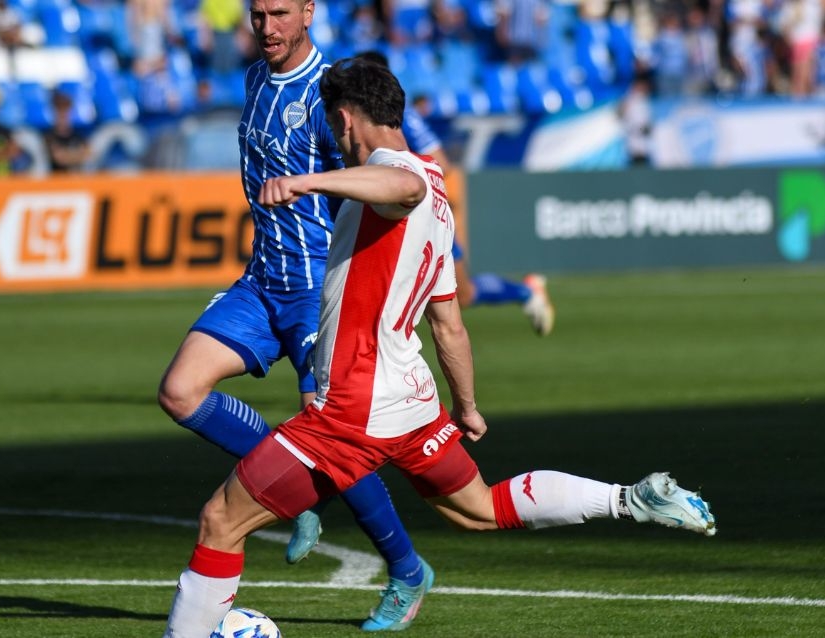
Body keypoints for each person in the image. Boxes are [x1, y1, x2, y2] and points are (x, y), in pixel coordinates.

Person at [161, 57, 717, 638]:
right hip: (412, 398)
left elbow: (399, 188)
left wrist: (306, 182)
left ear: (344, 120)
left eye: (332, 126)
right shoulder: (439, 192)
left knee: (221, 521)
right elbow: (448, 324)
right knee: (481, 509)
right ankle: (630, 499)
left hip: (353, 406)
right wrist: (466, 407)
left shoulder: (398, 177)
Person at [156, 0, 433, 631]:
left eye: (280, 13)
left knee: (332, 436)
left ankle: (407, 568)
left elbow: (385, 180)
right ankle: (295, 492)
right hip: (262, 281)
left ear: (309, 11)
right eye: (257, 15)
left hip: (318, 290)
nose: (267, 27)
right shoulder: (255, 77)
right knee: (180, 390)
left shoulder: (331, 95)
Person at [356, 50, 555, 336]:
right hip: (387, 216)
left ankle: (526, 291)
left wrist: (403, 179)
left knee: (463, 295)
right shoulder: (352, 118)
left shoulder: (401, 116)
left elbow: (442, 162)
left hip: (421, 214)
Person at [44, 90, 91, 173]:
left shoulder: (78, 136)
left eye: (66, 111)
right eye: (59, 111)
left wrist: (69, 155)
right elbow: (60, 158)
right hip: (55, 178)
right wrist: (77, 155)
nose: (63, 115)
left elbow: (88, 154)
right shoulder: (49, 137)